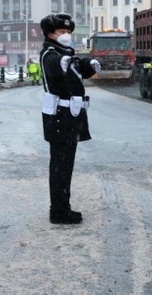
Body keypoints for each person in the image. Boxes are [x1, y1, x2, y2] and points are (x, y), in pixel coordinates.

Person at [39, 13, 102, 224]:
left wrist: (88, 65)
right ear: (51, 34)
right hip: (59, 116)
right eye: (62, 32)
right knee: (60, 166)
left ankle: (62, 207)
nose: (66, 35)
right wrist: (66, 60)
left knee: (65, 165)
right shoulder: (50, 54)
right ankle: (58, 211)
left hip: (69, 117)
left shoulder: (66, 52)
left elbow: (76, 71)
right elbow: (55, 67)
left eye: (68, 32)